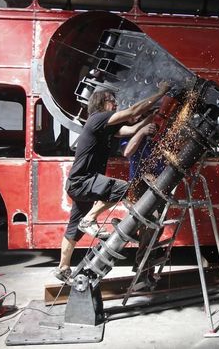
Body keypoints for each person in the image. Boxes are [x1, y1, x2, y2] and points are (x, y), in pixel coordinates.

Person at [54, 82, 170, 282]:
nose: (115, 104)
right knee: (125, 189)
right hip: (84, 180)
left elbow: (131, 129)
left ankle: (63, 267)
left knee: (73, 228)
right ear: (101, 103)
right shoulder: (98, 119)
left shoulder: (106, 128)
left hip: (80, 182)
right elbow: (133, 111)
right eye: (112, 101)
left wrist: (151, 116)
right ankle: (89, 219)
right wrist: (160, 92)